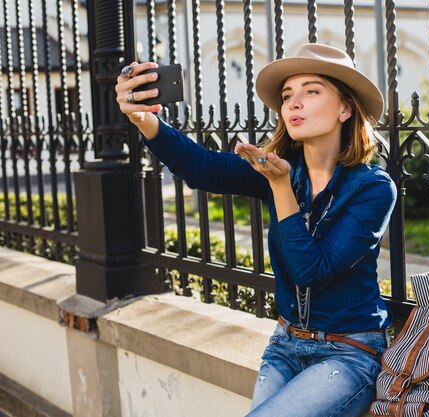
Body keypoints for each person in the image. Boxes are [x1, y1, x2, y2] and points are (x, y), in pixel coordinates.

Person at [116, 43, 397, 417]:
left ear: (345, 108)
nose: (294, 103)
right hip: (285, 344)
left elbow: (311, 271)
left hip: (350, 352)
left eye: (311, 91)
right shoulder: (280, 168)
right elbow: (202, 168)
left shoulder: (372, 187)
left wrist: (280, 187)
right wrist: (143, 119)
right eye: (287, 95)